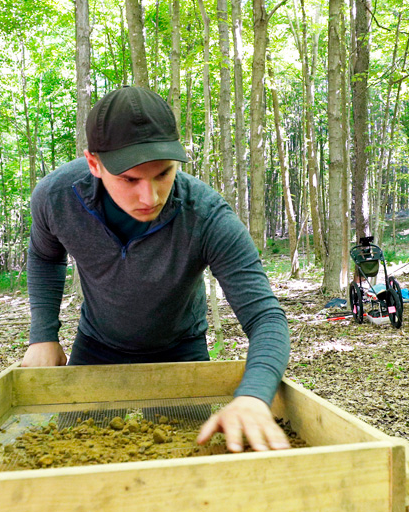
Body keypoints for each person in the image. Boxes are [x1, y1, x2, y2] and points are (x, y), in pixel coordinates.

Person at [23, 86, 290, 453]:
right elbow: (43, 255)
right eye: (130, 180)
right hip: (98, 347)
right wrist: (43, 335)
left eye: (163, 174)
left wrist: (253, 396)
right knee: (74, 453)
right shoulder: (56, 198)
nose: (149, 197)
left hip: (180, 350)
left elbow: (266, 318)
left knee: (188, 462)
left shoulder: (207, 216)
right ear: (94, 164)